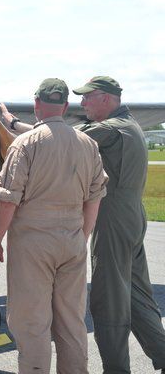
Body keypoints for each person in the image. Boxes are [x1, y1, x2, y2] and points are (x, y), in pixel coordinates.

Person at [0, 78, 108, 374]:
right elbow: (95, 199)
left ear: (37, 105)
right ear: (66, 106)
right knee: (71, 322)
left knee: (32, 324)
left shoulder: (25, 144)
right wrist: (81, 236)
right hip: (72, 239)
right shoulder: (88, 144)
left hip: (33, 243)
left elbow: (7, 201)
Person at [72, 76, 165, 374]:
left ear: (106, 98)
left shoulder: (113, 129)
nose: (82, 102)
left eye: (88, 97)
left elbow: (64, 139)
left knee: (107, 300)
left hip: (113, 219)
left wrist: (14, 128)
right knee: (136, 297)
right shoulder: (128, 125)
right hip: (130, 217)